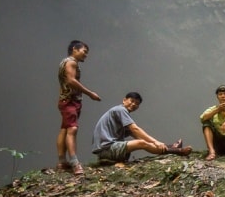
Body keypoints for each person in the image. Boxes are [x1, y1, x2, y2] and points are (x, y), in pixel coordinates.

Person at [92, 92, 192, 163]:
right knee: (141, 143)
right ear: (124, 100)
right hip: (106, 149)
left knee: (141, 140)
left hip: (109, 148)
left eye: (137, 103)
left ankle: (169, 147)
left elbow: (135, 134)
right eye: (132, 101)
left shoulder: (119, 113)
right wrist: (155, 142)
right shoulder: (120, 110)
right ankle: (177, 151)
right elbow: (135, 129)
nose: (134, 104)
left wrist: (159, 143)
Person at [56, 40, 101, 176]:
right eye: (84, 51)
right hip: (69, 101)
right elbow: (71, 80)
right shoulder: (71, 62)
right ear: (75, 49)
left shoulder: (67, 62)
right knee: (72, 129)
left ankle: (62, 161)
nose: (85, 55)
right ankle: (75, 163)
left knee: (65, 128)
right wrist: (90, 93)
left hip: (69, 101)